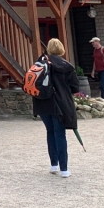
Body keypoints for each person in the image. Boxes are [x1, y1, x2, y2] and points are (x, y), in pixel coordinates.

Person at [33, 39, 81, 178]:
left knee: (50, 132)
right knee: (60, 134)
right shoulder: (66, 66)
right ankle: (64, 169)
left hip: (42, 102)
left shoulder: (40, 63)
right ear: (61, 48)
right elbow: (75, 87)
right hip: (60, 103)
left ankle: (54, 164)